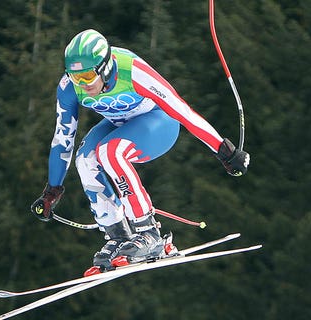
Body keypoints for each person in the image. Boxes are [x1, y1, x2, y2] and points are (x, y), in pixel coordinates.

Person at [31, 29, 250, 274]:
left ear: (104, 67)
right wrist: (52, 190)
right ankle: (117, 235)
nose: (82, 84)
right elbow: (63, 138)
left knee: (110, 151)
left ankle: (149, 233)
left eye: (87, 76)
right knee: (85, 159)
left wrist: (224, 150)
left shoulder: (132, 71)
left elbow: (181, 110)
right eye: (75, 77)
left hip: (159, 124)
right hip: (121, 124)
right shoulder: (68, 87)